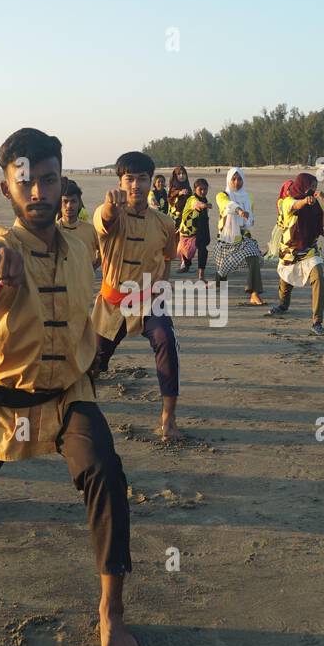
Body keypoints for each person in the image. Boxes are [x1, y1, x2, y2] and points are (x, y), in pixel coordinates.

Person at [0, 128, 139, 646]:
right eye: (27, 183)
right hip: (4, 396)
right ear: (7, 190)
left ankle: (111, 611)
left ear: (61, 180)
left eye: (48, 180)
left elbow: (100, 244)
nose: (38, 192)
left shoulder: (77, 245)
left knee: (105, 472)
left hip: (69, 395)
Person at [91, 151, 182, 440]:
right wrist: (109, 206)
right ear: (120, 182)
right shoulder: (107, 214)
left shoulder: (165, 223)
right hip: (112, 303)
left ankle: (168, 418)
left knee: (166, 341)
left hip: (147, 302)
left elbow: (168, 259)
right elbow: (104, 221)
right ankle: (80, 417)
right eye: (129, 179)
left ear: (151, 181)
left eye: (142, 179)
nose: (136, 185)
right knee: (92, 362)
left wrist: (160, 292)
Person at [268, 173, 324, 335]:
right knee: (285, 282)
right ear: (302, 186)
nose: (313, 191)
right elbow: (295, 205)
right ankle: (283, 305)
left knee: (319, 279)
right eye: (311, 187)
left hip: (310, 250)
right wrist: (304, 201)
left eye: (315, 188)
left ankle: (317, 321)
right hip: (290, 250)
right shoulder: (287, 201)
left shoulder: (316, 204)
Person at [211, 167, 265, 305]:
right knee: (223, 267)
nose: (237, 182)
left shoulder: (249, 196)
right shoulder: (222, 195)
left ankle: (254, 292)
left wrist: (248, 218)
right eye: (233, 179)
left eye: (239, 179)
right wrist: (239, 210)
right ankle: (218, 281)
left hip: (244, 236)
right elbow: (227, 205)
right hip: (226, 237)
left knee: (253, 257)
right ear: (229, 180)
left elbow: (250, 216)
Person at [59, 178, 100, 268]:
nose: (69, 206)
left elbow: (103, 251)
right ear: (59, 203)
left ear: (79, 203)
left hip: (85, 281)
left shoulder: (90, 230)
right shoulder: (54, 230)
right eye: (65, 201)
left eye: (73, 201)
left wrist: (91, 269)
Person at [176, 178, 212, 279]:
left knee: (202, 250)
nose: (203, 192)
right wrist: (204, 205)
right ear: (195, 189)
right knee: (186, 253)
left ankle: (201, 274)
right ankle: (186, 265)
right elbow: (197, 205)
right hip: (186, 232)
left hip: (200, 229)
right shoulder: (192, 199)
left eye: (205, 189)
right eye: (200, 189)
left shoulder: (204, 199)